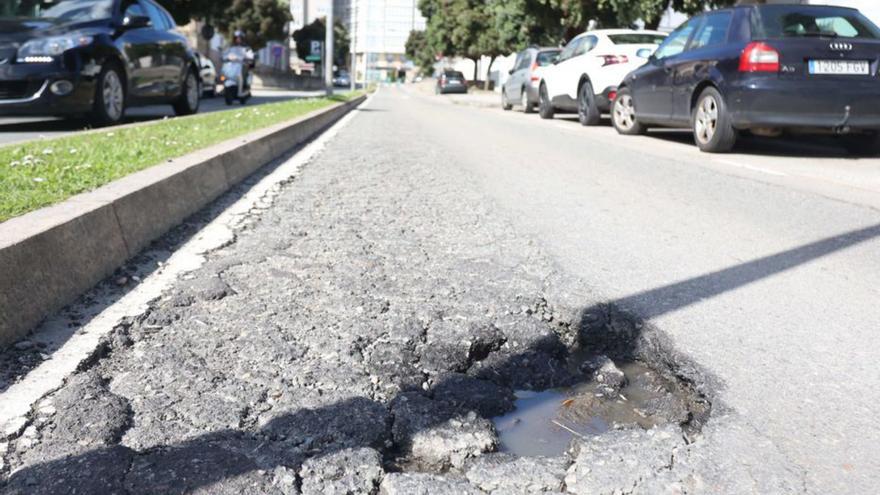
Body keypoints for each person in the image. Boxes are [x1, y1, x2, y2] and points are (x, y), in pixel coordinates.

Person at [224, 30, 255, 96]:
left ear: (242, 39)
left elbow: (250, 56)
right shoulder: (231, 47)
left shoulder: (246, 48)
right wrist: (226, 57)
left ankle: (242, 89)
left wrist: (247, 58)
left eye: (239, 38)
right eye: (236, 38)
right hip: (232, 65)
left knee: (243, 74)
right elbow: (225, 54)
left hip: (242, 65)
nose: (238, 39)